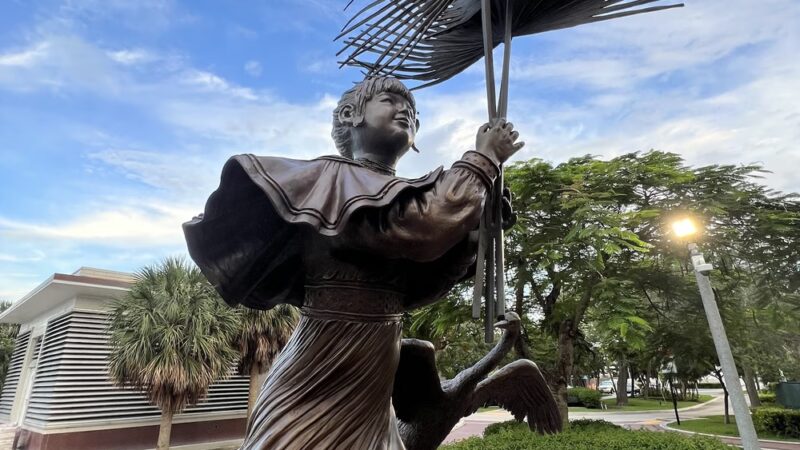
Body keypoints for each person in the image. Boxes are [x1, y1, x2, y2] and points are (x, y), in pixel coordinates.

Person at [183, 77, 524, 450]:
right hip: (323, 362)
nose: (405, 111)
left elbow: (418, 286)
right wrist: (483, 160)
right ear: (350, 114)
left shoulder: (400, 197)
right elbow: (427, 225)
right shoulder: (333, 182)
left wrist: (478, 232)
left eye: (414, 110)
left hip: (374, 369)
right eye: (391, 100)